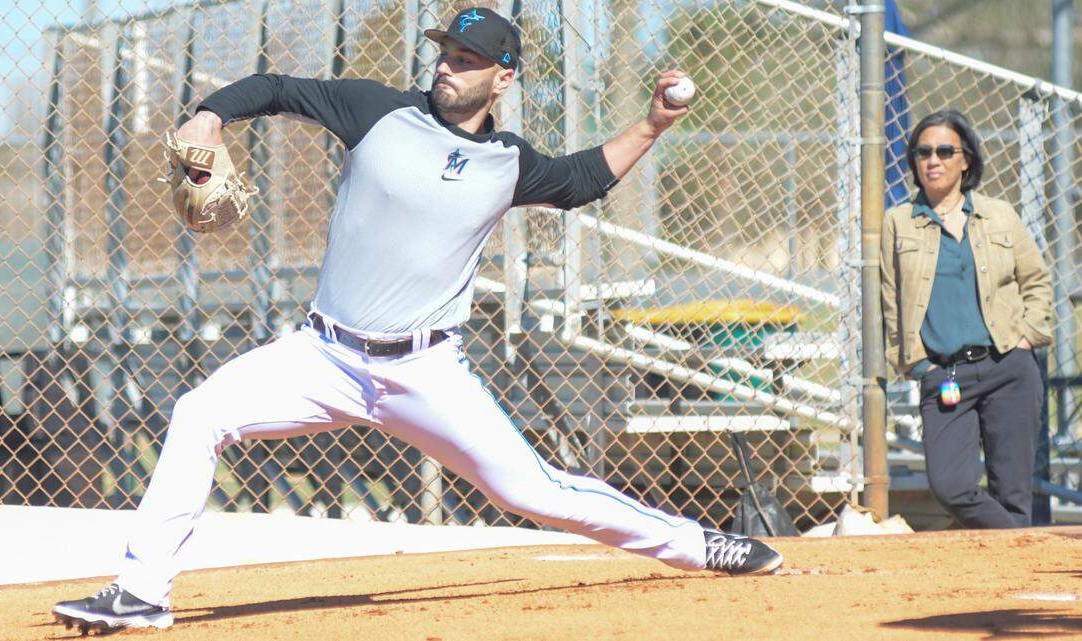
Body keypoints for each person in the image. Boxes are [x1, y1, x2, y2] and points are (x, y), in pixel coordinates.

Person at [51, 7, 782, 633]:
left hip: (424, 371)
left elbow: (583, 179)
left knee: (535, 492)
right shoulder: (376, 111)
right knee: (198, 412)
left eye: (469, 60)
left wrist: (654, 123)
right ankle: (143, 592)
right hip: (324, 354)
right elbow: (276, 89)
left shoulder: (508, 162)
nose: (448, 68)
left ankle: (695, 545)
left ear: (503, 78)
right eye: (445, 53)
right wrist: (211, 115)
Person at [880, 109, 1052, 530]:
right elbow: (890, 301)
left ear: (966, 160)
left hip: (1007, 366)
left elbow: (1037, 281)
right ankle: (1022, 544)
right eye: (923, 153)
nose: (932, 161)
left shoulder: (999, 215)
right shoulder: (899, 222)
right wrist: (920, 365)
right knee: (951, 485)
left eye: (943, 151)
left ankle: (1012, 584)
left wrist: (1028, 336)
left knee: (1013, 492)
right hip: (944, 374)